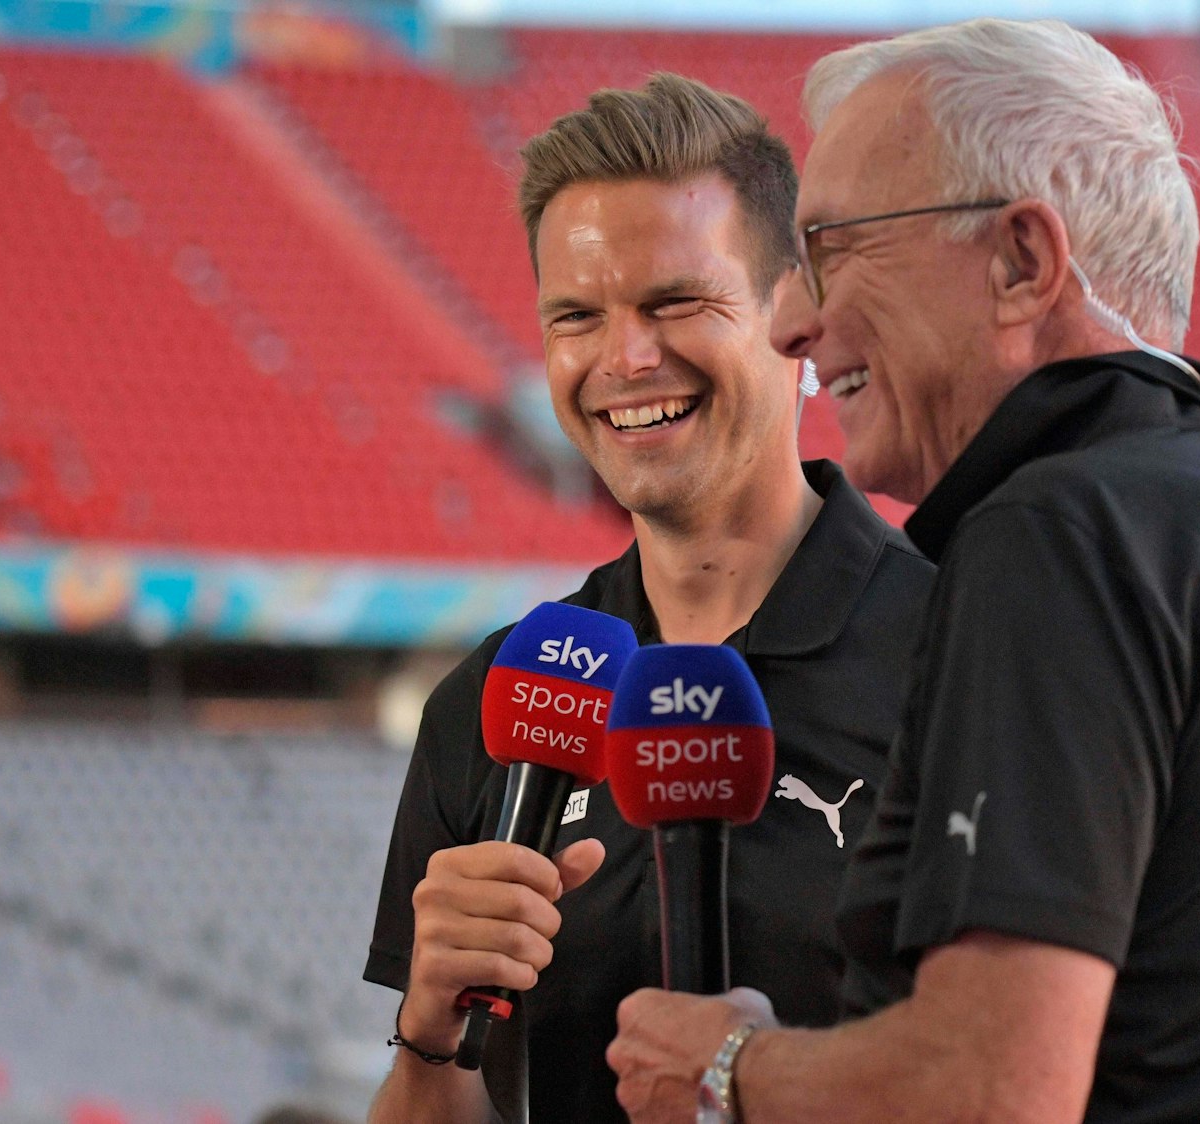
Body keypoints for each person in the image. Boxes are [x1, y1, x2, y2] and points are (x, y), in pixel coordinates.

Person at [606, 20, 1200, 1123]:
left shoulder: (1055, 535)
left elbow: (997, 1092)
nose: (793, 318)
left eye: (833, 249)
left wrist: (731, 1066)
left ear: (1023, 259)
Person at [363, 74, 935, 1123]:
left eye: (677, 302)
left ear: (792, 317)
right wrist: (431, 1034)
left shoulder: (961, 654)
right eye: (577, 315)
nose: (626, 359)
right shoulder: (492, 701)